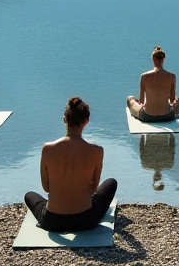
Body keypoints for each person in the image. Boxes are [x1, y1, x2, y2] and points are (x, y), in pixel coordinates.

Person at [24, 97, 118, 232]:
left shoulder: (47, 149)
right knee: (111, 183)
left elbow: (46, 188)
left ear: (64, 119)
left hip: (52, 221)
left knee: (29, 195)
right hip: (85, 220)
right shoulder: (97, 151)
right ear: (87, 121)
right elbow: (93, 189)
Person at [127, 46, 179, 122]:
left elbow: (142, 101)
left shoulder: (144, 76)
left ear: (153, 59)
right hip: (167, 116)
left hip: (147, 116)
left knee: (130, 99)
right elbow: (172, 100)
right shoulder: (172, 76)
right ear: (163, 59)